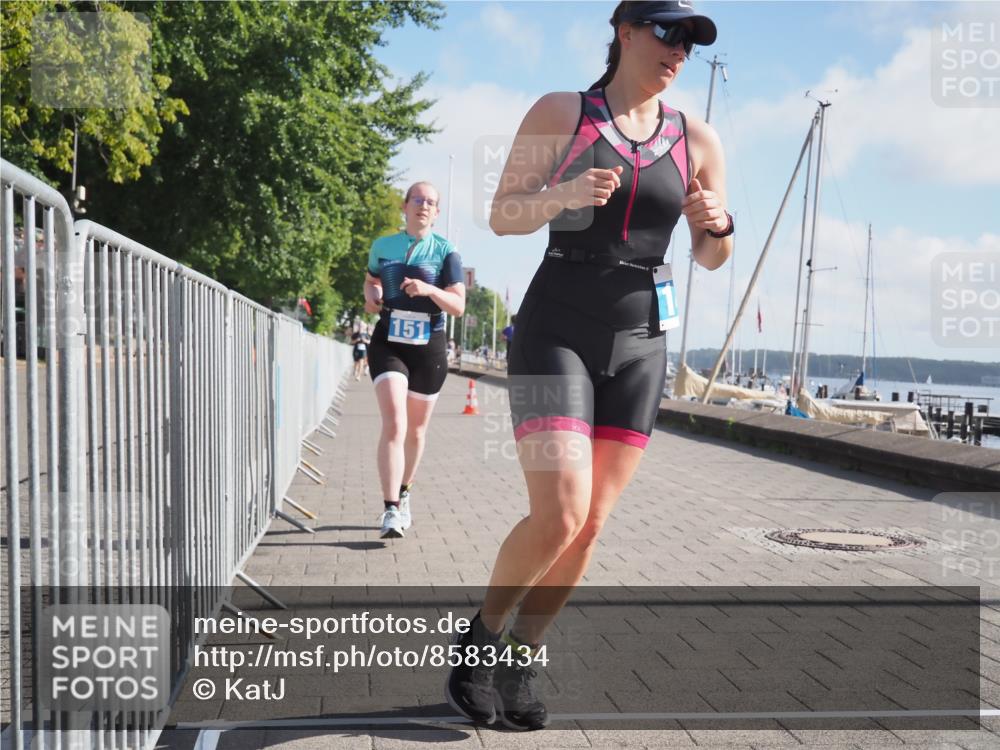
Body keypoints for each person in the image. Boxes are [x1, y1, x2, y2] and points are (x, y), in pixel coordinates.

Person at [446, 1, 733, 731]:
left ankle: (519, 660)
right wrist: (563, 196)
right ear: (626, 31)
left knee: (592, 524)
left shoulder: (697, 137)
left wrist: (718, 228)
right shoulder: (563, 111)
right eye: (667, 33)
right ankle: (478, 642)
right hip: (557, 328)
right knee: (561, 510)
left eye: (690, 43)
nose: (678, 52)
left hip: (641, 339)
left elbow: (711, 252)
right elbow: (502, 214)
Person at [364, 182, 466, 538]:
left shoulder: (446, 252)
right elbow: (371, 280)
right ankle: (390, 509)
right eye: (418, 200)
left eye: (431, 202)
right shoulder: (383, 246)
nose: (424, 205)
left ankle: (405, 492)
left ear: (436, 213)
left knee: (417, 430)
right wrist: (372, 295)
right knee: (395, 422)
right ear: (405, 206)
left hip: (429, 344)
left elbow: (458, 305)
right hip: (389, 339)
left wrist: (429, 290)